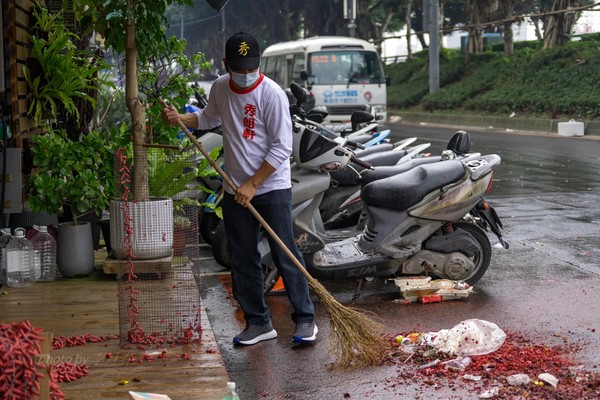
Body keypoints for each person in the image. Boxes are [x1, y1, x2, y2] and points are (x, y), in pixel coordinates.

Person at [161, 32, 317, 346]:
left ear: (258, 64)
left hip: (271, 187)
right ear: (226, 65)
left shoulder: (272, 94)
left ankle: (305, 320)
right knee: (242, 257)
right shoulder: (220, 87)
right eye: (239, 69)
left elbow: (281, 148)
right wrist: (181, 119)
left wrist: (253, 184)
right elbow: (207, 118)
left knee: (285, 252)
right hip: (235, 187)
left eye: (251, 69)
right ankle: (258, 323)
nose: (246, 76)